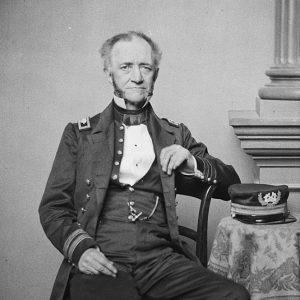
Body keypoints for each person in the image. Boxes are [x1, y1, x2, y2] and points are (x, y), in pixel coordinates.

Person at [39, 31, 250, 300]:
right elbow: (53, 207)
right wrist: (81, 250)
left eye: (145, 67)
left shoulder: (175, 135)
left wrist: (192, 162)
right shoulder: (79, 135)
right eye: (125, 67)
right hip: (103, 260)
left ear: (155, 75)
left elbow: (232, 185)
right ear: (109, 73)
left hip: (161, 263)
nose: (137, 77)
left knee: (234, 296)